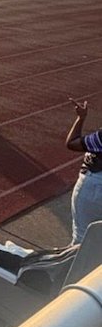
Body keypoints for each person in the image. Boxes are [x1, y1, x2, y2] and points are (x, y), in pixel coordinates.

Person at [66, 99, 102, 244]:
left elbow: (72, 143)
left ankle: (78, 267)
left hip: (95, 185)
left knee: (81, 241)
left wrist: (81, 118)